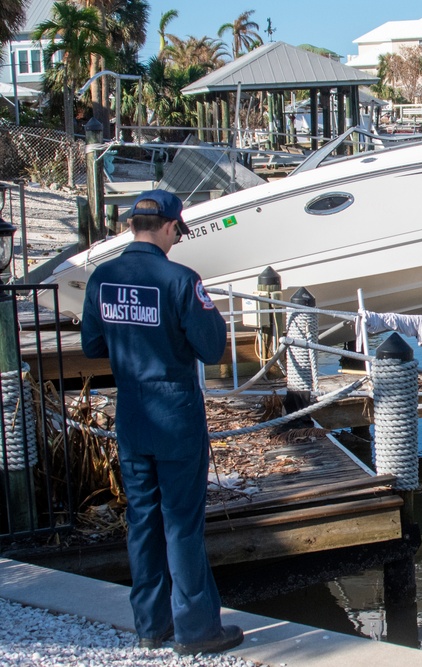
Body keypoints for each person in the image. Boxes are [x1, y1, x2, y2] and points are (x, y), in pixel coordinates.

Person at [81, 190, 243, 656]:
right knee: (182, 525)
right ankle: (196, 630)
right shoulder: (180, 280)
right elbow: (212, 349)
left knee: (142, 522)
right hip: (175, 416)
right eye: (178, 232)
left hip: (131, 414)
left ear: (134, 225)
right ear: (171, 227)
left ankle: (151, 625)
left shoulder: (103, 277)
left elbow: (93, 344)